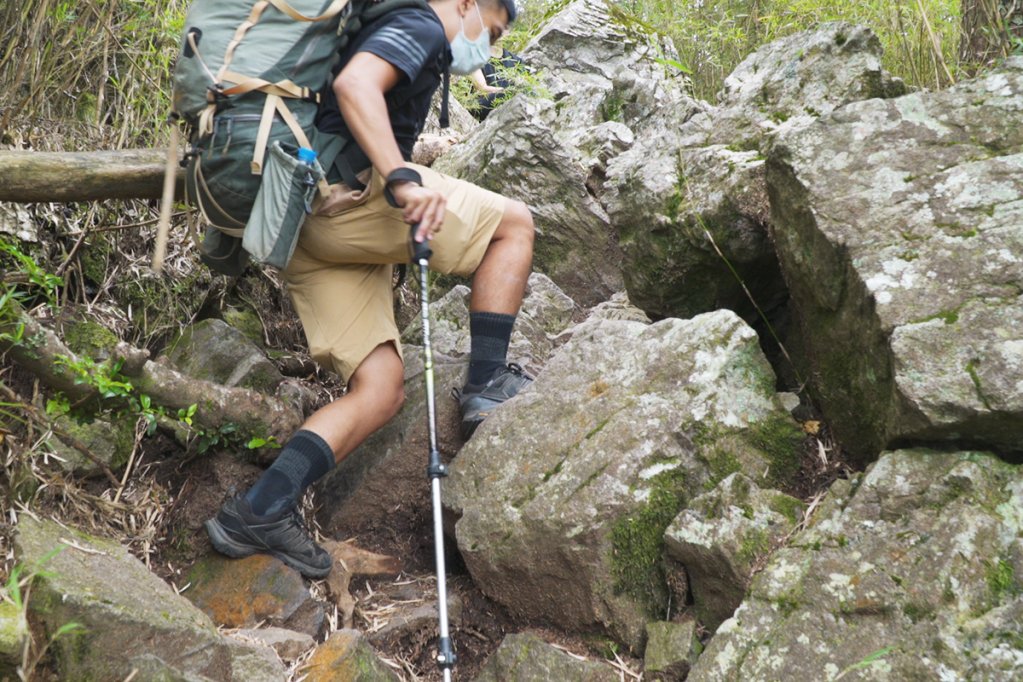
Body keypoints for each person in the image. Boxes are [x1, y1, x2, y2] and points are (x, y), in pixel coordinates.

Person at [204, 0, 534, 580]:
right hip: (347, 201)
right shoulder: (421, 21)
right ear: (467, 4)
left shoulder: (381, 19)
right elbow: (359, 85)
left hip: (299, 224)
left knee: (380, 391)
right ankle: (485, 382)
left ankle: (257, 512)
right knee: (515, 226)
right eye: (496, 30)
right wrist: (402, 176)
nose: (492, 46)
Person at [469, 42, 524, 121]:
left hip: (511, 100)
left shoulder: (516, 61)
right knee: (508, 94)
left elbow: (523, 84)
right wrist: (507, 91)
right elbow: (481, 88)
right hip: (483, 104)